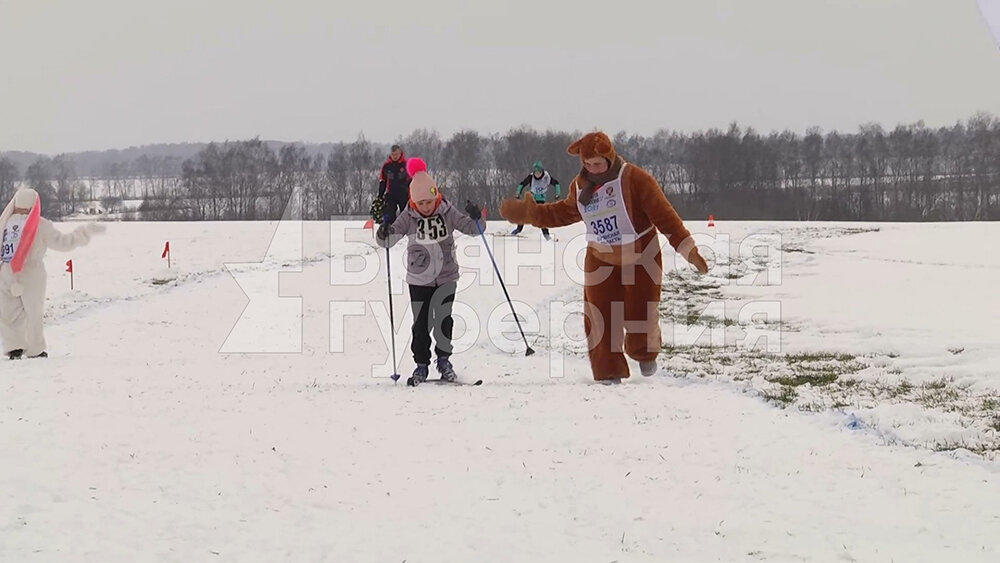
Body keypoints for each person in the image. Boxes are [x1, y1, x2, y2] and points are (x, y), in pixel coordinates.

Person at [500, 132, 709, 383]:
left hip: (641, 254)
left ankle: (644, 352)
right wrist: (531, 214)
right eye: (587, 164)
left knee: (640, 310)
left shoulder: (635, 179)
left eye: (597, 163)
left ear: (609, 158)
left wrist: (688, 249)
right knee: (599, 314)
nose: (592, 169)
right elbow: (564, 212)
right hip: (600, 256)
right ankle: (608, 369)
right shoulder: (580, 187)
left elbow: (664, 216)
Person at [376, 157, 483, 385]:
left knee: (444, 320)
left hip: (446, 276)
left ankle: (444, 361)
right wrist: (384, 230)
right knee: (421, 323)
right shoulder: (409, 215)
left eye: (429, 201)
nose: (425, 207)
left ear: (436, 196)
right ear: (414, 201)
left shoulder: (447, 211)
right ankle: (421, 365)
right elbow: (388, 240)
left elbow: (473, 228)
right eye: (420, 203)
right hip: (419, 279)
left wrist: (477, 216)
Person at [0, 188, 105, 359]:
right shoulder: (40, 225)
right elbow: (64, 243)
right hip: (32, 273)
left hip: (5, 272)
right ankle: (35, 349)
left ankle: (14, 346)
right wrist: (83, 234)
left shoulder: (4, 223)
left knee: (8, 313)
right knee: (34, 312)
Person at [509, 160, 561, 240]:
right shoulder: (531, 177)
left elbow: (556, 183)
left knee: (541, 217)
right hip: (532, 198)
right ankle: (518, 229)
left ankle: (546, 234)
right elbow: (522, 184)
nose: (537, 175)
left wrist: (557, 193)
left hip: (541, 200)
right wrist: (518, 193)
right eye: (535, 173)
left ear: (541, 171)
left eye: (538, 173)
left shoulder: (546, 177)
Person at [378, 144, 411, 224]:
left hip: (403, 194)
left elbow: (411, 180)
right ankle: (391, 230)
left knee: (405, 214)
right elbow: (383, 180)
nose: (394, 156)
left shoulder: (406, 164)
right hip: (391, 194)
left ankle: (407, 229)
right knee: (390, 214)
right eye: (393, 154)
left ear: (400, 153)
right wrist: (380, 195)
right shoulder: (386, 166)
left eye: (396, 154)